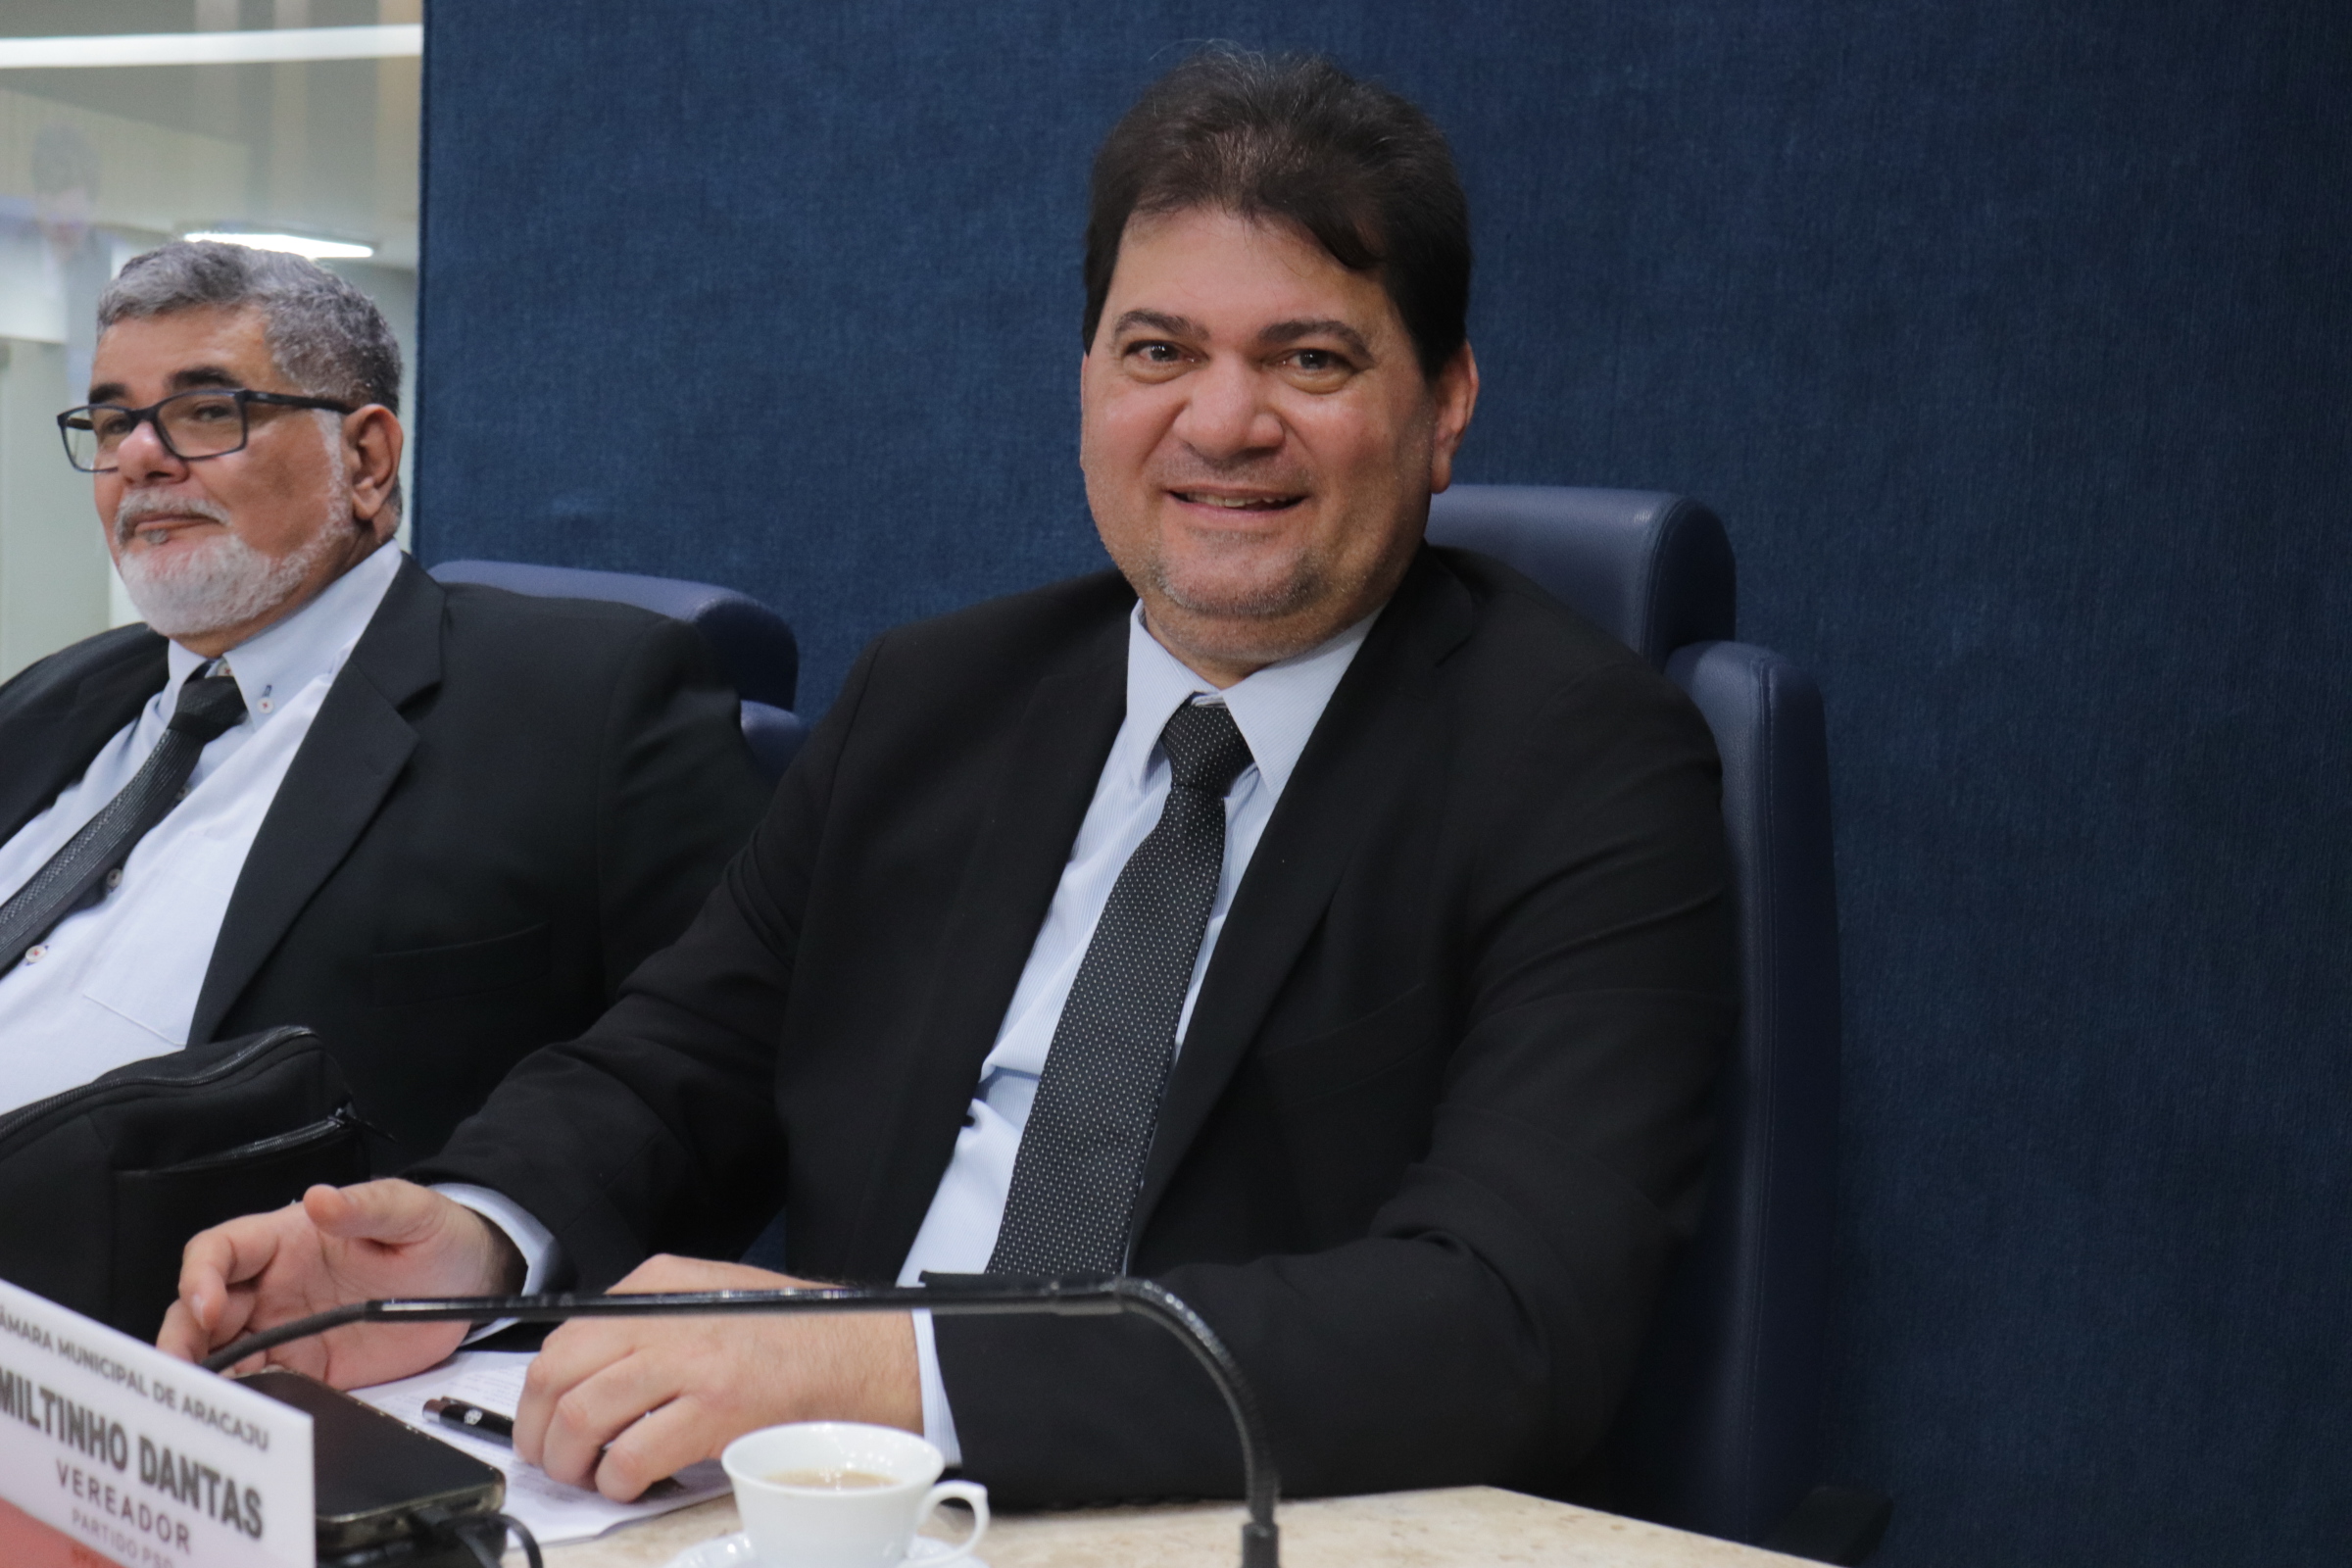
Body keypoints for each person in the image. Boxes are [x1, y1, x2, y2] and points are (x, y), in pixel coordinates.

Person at [163, 52, 1735, 1508]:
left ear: (1443, 406)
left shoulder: (1584, 761)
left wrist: (893, 1365)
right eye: (1159, 351)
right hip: (800, 1519)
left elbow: (1506, 1321)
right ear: (1089, 382)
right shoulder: (935, 700)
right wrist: (463, 1242)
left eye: (1309, 357)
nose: (1223, 420)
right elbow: (672, 1065)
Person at [0, 240, 768, 1160]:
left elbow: (718, 1058)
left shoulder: (584, 701)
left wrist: (485, 1220)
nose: (138, 458)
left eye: (206, 412)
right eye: (110, 422)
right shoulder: (52, 698)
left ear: (365, 459)